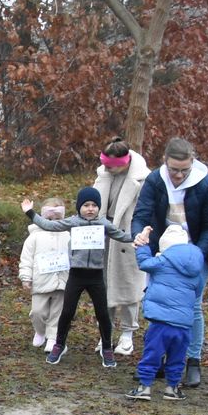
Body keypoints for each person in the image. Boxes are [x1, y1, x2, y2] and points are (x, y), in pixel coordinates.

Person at [132, 137, 208, 386]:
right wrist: (139, 235)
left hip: (196, 252)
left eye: (184, 170)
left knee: (192, 306)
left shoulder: (204, 183)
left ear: (193, 163)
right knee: (159, 302)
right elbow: (141, 215)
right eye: (174, 170)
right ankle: (157, 359)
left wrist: (197, 255)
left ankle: (192, 361)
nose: (179, 175)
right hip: (164, 252)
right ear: (165, 162)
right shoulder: (155, 180)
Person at [22, 188, 135, 368]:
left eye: (94, 205)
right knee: (67, 312)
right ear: (79, 207)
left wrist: (140, 236)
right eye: (86, 205)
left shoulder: (103, 224)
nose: (90, 209)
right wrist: (30, 212)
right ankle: (59, 345)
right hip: (76, 275)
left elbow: (121, 235)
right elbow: (49, 225)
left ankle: (107, 348)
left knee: (103, 313)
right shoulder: (73, 222)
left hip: (96, 276)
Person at [125, 223, 207, 401]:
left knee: (152, 354)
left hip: (161, 322)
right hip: (184, 324)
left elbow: (144, 262)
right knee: (178, 357)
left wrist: (143, 245)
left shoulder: (162, 262)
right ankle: (172, 388)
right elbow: (198, 291)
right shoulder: (196, 267)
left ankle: (144, 387)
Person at [93, 137, 150, 355]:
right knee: (103, 286)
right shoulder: (103, 175)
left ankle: (127, 333)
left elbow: (147, 211)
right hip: (104, 236)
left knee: (129, 285)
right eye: (105, 164)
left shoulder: (143, 180)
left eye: (112, 165)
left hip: (128, 236)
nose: (107, 169)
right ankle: (105, 332)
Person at [18, 197, 71, 352]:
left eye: (57, 219)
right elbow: (26, 258)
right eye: (48, 219)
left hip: (62, 281)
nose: (52, 223)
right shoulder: (34, 236)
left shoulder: (68, 235)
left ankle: (53, 338)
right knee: (37, 312)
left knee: (57, 312)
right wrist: (26, 277)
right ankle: (40, 330)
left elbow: (74, 256)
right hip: (40, 281)